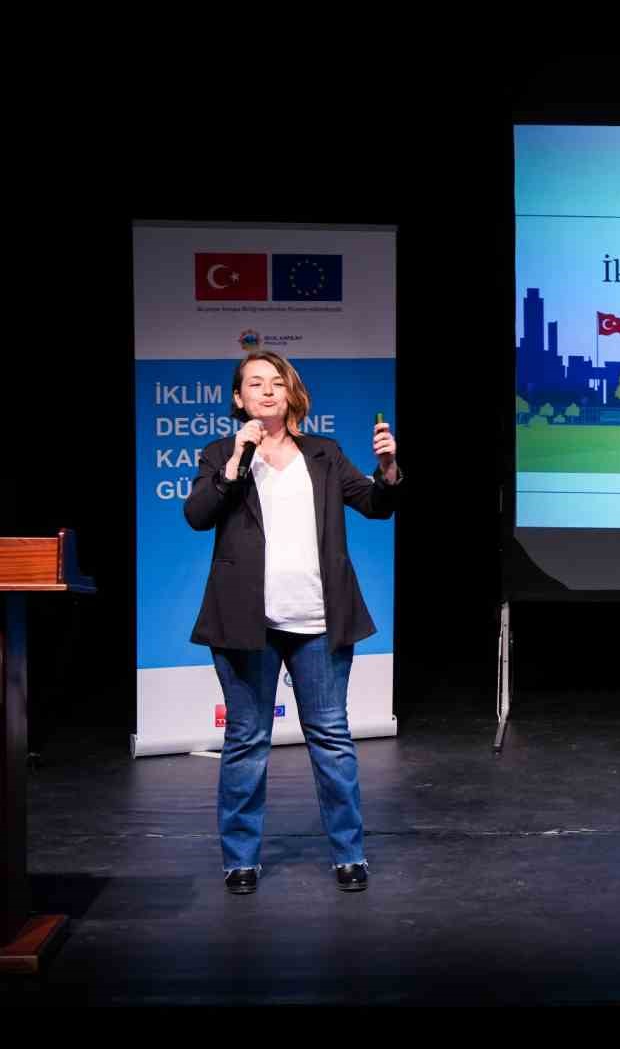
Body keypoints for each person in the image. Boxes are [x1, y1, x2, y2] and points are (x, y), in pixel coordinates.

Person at [183, 351, 403, 895]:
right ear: (238, 399)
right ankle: (240, 859)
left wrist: (389, 470)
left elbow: (376, 504)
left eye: (276, 382)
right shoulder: (221, 454)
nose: (267, 390)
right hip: (245, 623)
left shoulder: (323, 453)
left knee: (331, 738)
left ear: (291, 394)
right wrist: (236, 462)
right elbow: (197, 515)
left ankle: (349, 854)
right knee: (246, 739)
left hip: (319, 621)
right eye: (255, 383)